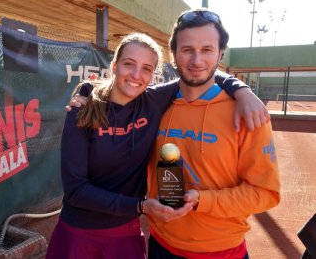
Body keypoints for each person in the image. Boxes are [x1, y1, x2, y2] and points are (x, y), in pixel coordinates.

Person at [46, 31, 269, 259]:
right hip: (78, 232)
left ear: (154, 74)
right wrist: (140, 206)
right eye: (128, 64)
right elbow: (75, 191)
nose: (136, 75)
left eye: (146, 68)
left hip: (125, 233)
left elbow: (198, 74)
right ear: (114, 66)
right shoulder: (83, 109)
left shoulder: (153, 101)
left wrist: (242, 90)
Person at [144, 9, 281, 258]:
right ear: (174, 54)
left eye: (207, 49)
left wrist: (202, 200)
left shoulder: (248, 113)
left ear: (220, 53)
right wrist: (85, 93)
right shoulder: (156, 105)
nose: (197, 60)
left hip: (222, 251)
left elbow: (265, 193)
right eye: (187, 50)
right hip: (161, 245)